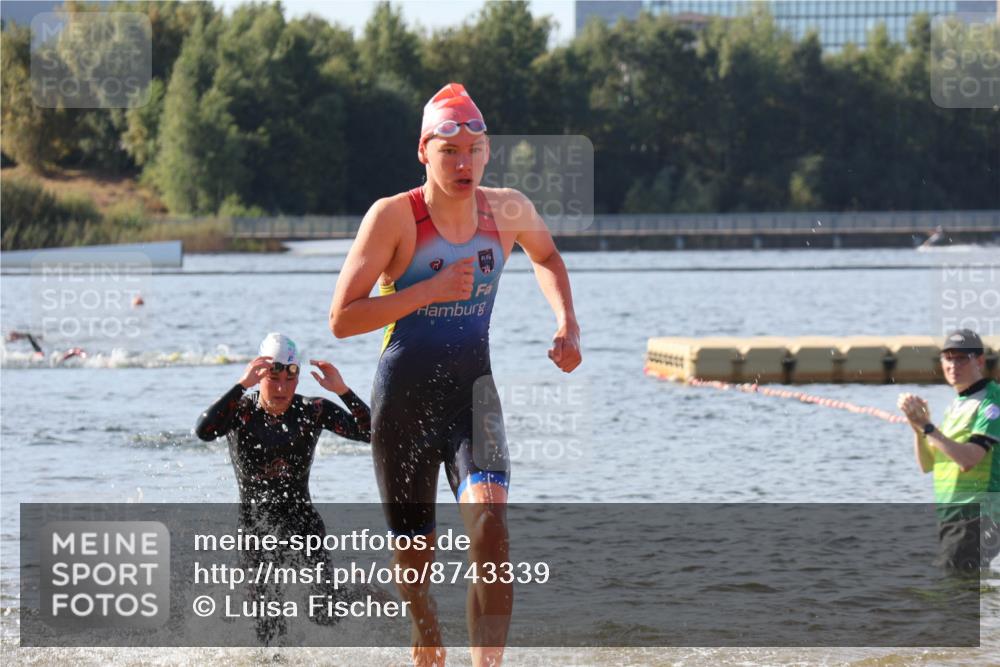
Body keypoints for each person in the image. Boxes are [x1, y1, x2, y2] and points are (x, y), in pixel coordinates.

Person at [328, 83, 582, 667]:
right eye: (449, 152)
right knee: (416, 562)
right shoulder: (393, 218)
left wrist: (567, 323)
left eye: (474, 150)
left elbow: (546, 257)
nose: (463, 163)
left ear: (488, 152)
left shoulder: (508, 210)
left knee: (492, 528)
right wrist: (425, 292)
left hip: (473, 395)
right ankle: (425, 631)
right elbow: (342, 318)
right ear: (424, 152)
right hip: (403, 405)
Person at [195, 332, 372, 643]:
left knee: (324, 614)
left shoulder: (312, 410)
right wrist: (241, 384)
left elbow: (371, 433)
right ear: (259, 376)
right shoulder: (241, 410)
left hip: (302, 524)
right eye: (272, 379)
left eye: (289, 380)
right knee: (269, 631)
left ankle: (358, 590)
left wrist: (343, 391)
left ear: (297, 378)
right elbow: (204, 431)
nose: (281, 389)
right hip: (254, 530)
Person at [897, 328, 1000, 573]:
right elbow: (927, 465)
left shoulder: (991, 402)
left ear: (980, 361)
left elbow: (969, 459)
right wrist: (917, 426)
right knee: (960, 594)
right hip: (952, 514)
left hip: (977, 514)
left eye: (962, 358)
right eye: (948, 358)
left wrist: (927, 426)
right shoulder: (957, 404)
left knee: (952, 591)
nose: (953, 365)